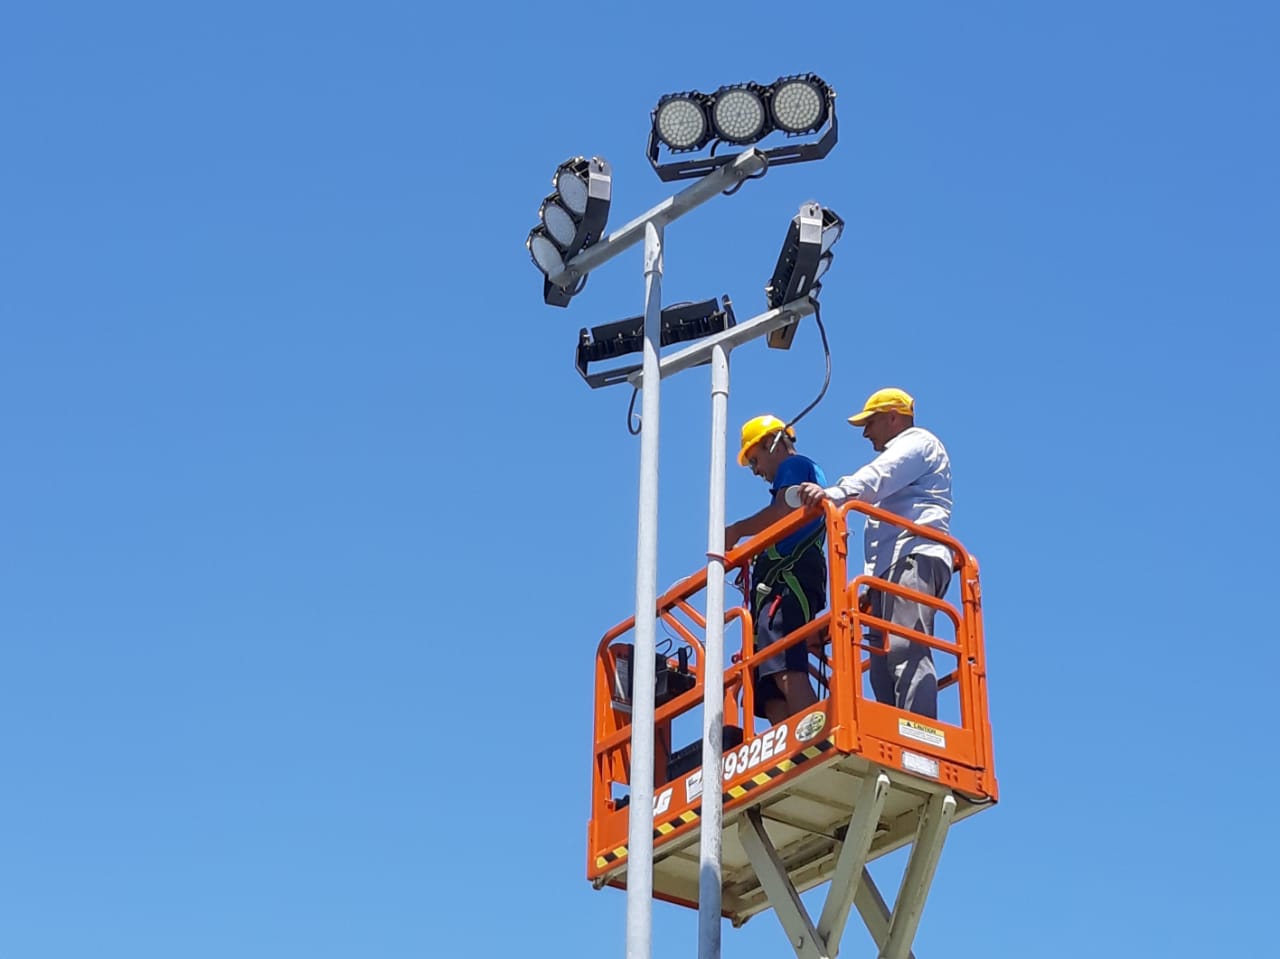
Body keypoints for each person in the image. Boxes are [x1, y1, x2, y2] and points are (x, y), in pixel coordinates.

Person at [795, 388, 952, 719]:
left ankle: (918, 732)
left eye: (871, 422)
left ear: (894, 418)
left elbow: (878, 478)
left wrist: (833, 494)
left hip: (914, 557)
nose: (866, 432)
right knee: (882, 665)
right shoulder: (908, 451)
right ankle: (896, 730)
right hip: (892, 567)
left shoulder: (918, 443)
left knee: (905, 647)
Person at [726, 414, 827, 726]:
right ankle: (788, 744)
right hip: (778, 587)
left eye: (755, 459)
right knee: (766, 686)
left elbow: (784, 509)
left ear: (774, 443)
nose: (756, 471)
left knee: (784, 668)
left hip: (790, 582)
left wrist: (737, 531)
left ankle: (814, 737)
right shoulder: (792, 472)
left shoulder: (796, 467)